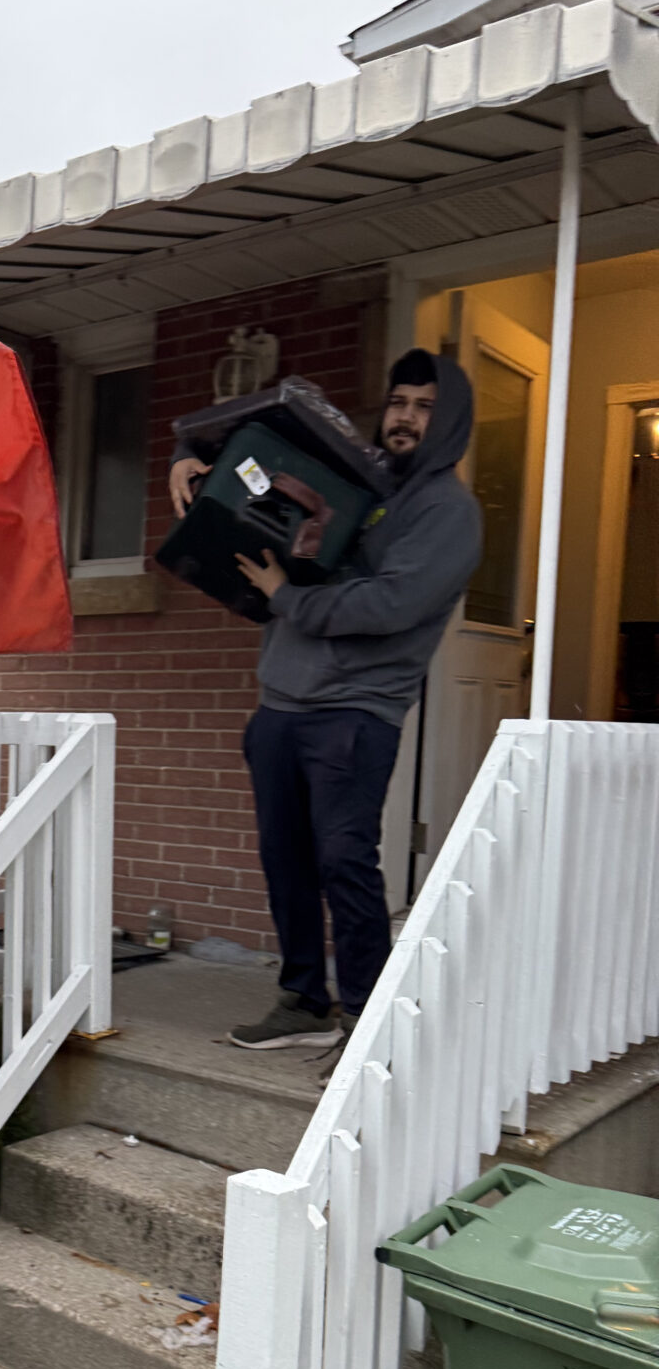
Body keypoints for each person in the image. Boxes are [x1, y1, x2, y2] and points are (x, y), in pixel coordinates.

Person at [169, 349, 481, 1051]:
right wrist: (187, 459)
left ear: (450, 421)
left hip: (357, 711)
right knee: (286, 856)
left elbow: (394, 601)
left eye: (424, 407)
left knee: (344, 859)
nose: (405, 418)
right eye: (399, 402)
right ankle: (303, 998)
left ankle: (364, 1016)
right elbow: (239, 431)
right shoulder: (362, 476)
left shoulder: (448, 513)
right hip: (283, 701)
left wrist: (287, 598)